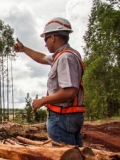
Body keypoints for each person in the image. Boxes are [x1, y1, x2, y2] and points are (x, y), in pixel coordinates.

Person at [13, 17, 85, 146]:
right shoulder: (64, 55)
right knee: (77, 158)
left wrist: (42, 101)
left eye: (45, 39)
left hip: (62, 118)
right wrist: (24, 49)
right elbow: (41, 57)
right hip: (68, 117)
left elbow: (70, 92)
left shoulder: (65, 58)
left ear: (53, 37)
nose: (45, 44)